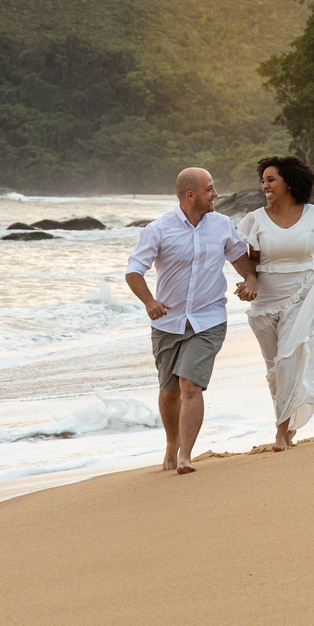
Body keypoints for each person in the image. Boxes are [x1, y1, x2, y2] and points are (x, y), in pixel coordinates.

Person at [126, 167, 258, 474]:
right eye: (209, 189)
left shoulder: (222, 225)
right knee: (169, 390)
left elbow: (241, 260)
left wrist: (251, 279)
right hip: (167, 322)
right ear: (191, 195)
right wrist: (149, 302)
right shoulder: (158, 229)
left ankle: (185, 455)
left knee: (190, 384)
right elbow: (134, 270)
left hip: (209, 319)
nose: (216, 194)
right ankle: (172, 443)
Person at [236, 156, 314, 451]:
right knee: (275, 370)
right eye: (263, 181)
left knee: (289, 361)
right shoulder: (255, 219)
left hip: (301, 296)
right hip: (265, 302)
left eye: (271, 179)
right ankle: (288, 423)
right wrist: (250, 281)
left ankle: (280, 432)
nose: (264, 185)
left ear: (289, 183)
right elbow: (250, 260)